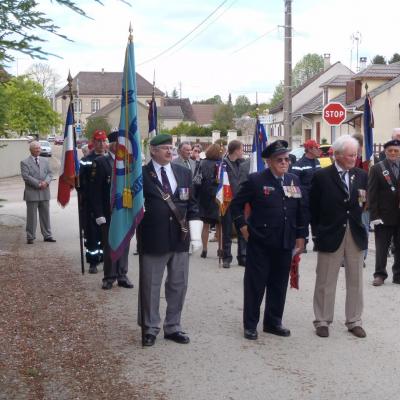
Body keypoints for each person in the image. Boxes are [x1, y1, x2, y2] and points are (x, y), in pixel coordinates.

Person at [230, 140, 306, 340]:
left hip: (285, 240)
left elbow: (299, 211)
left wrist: (300, 235)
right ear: (269, 162)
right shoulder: (256, 180)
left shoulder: (293, 180)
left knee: (279, 284)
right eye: (279, 160)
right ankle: (250, 324)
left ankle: (273, 322)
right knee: (256, 284)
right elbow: (236, 205)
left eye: (286, 159)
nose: (284, 163)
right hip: (261, 241)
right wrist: (243, 228)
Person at [137, 133, 198, 347]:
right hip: (154, 237)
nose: (169, 151)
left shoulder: (183, 172)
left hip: (180, 238)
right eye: (164, 147)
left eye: (171, 147)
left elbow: (191, 204)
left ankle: (173, 326)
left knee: (178, 284)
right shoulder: (141, 174)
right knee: (151, 286)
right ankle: (150, 327)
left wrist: (196, 235)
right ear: (152, 150)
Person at [310, 135, 368, 339]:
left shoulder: (361, 175)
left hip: (355, 233)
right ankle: (322, 320)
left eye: (356, 154)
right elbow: (313, 208)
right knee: (326, 279)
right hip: (330, 232)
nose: (355, 158)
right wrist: (317, 232)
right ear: (338, 155)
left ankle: (354, 320)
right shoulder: (321, 176)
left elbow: (363, 202)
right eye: (351, 155)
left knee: (356, 280)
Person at [90, 131, 133, 290]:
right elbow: (95, 192)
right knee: (109, 246)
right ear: (113, 145)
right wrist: (99, 214)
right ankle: (109, 276)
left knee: (125, 243)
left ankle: (122, 274)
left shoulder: (129, 162)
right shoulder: (101, 162)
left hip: (125, 211)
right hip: (108, 212)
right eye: (119, 144)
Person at [368, 139, 400, 286]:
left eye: (396, 150)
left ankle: (398, 275)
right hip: (384, 216)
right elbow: (372, 194)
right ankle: (380, 274)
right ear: (385, 152)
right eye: (390, 151)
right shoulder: (377, 168)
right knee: (382, 247)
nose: (393, 153)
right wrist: (374, 216)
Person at [78, 130, 107, 274]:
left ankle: (102, 257)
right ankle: (93, 262)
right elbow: (80, 181)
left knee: (104, 233)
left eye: (103, 141)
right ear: (93, 142)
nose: (101, 143)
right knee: (92, 233)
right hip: (90, 203)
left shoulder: (110, 158)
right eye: (98, 141)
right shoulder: (87, 159)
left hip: (106, 202)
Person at [20, 141, 56, 244]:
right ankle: (30, 236)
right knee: (32, 217)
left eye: (39, 148)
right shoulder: (24, 162)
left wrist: (46, 182)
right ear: (31, 150)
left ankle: (47, 235)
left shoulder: (45, 160)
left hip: (45, 192)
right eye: (36, 148)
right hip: (32, 193)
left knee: (45, 215)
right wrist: (38, 184)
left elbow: (50, 173)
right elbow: (26, 177)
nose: (38, 150)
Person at [291, 140, 321, 251]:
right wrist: (298, 200)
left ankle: (317, 243)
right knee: (303, 221)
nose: (319, 150)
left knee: (317, 222)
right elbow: (293, 183)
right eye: (316, 148)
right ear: (309, 149)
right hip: (304, 200)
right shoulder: (299, 165)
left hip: (316, 199)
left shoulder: (317, 162)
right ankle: (302, 244)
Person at [220, 140, 246, 268]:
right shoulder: (222, 164)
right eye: (241, 149)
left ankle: (242, 256)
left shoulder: (243, 163)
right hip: (227, 201)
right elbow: (218, 182)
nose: (243, 152)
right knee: (227, 230)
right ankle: (226, 257)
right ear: (236, 150)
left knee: (242, 229)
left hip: (240, 201)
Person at [197, 143, 224, 258]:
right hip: (217, 196)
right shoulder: (221, 164)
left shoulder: (202, 163)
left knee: (206, 225)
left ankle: (204, 249)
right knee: (219, 225)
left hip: (204, 196)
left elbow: (197, 179)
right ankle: (220, 249)